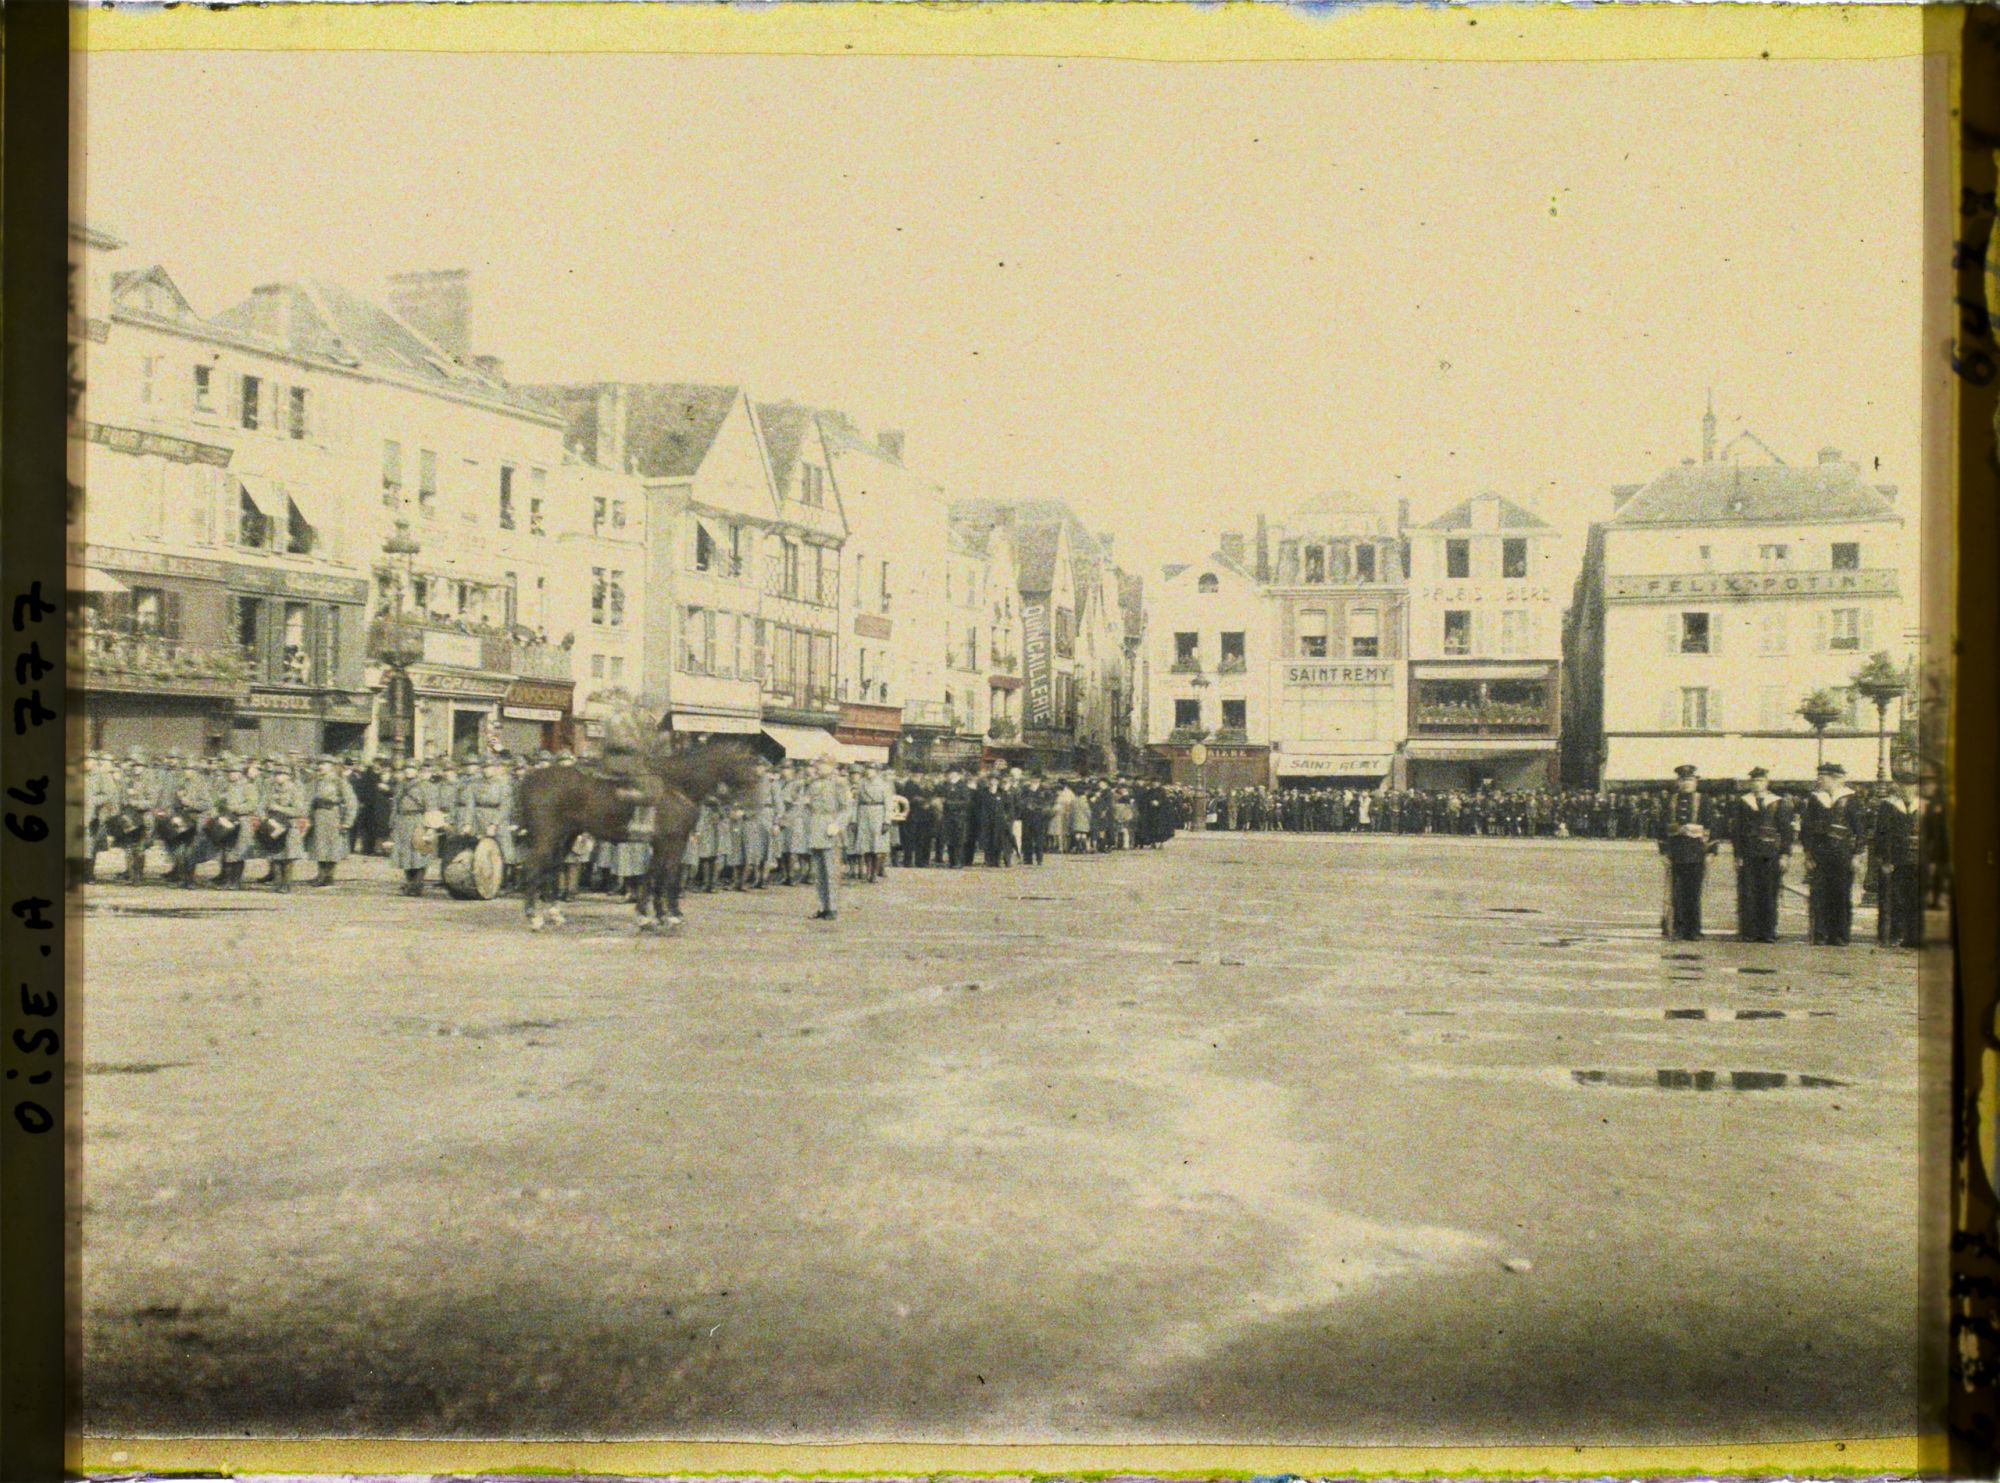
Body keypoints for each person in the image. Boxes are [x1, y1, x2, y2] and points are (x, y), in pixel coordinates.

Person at [1799, 761, 1860, 946]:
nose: (1819, 780)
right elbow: (1806, 829)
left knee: (1841, 894)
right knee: (1819, 894)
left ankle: (1840, 934)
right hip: (1820, 853)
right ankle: (1820, 933)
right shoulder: (1815, 799)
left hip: (1842, 853)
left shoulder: (1851, 799)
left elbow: (1860, 830)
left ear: (1835, 779)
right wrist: (1808, 855)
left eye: (1822, 777)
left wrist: (1857, 855)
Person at [1730, 766, 1792, 943]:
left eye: (1761, 780)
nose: (1757, 784)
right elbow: (1737, 830)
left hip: (1770, 853)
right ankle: (1748, 931)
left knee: (1769, 892)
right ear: (1750, 783)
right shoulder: (1743, 802)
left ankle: (1768, 931)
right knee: (1748, 892)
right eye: (1754, 781)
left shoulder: (1778, 802)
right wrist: (1737, 855)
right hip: (1749, 852)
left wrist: (1785, 854)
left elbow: (1785, 830)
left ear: (1767, 782)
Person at [1656, 763, 1717, 941]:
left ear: (1695, 782)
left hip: (1697, 852)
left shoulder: (1703, 800)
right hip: (1676, 853)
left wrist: (1712, 851)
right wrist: (1663, 853)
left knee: (1694, 892)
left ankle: (1694, 929)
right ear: (1678, 781)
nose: (1687, 783)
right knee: (1677, 892)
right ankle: (1678, 927)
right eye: (1684, 780)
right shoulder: (1670, 801)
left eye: (1690, 779)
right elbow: (1661, 828)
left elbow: (1712, 826)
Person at [1869, 765, 1925, 948]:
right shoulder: (1888, 806)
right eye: (1902, 785)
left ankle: (1914, 937)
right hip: (1897, 860)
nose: (1906, 789)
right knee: (1895, 899)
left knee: (1917, 898)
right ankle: (1894, 935)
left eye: (1910, 785)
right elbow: (1881, 835)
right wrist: (1885, 860)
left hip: (1918, 859)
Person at [804, 756, 849, 921]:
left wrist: (837, 825)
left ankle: (833, 907)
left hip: (830, 828)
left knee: (831, 871)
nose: (819, 768)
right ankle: (822, 906)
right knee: (818, 871)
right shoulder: (813, 784)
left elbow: (846, 809)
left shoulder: (839, 783)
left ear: (831, 766)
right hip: (815, 827)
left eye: (823, 765)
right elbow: (808, 806)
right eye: (819, 765)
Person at [306, 758, 360, 887]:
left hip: (333, 815)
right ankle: (320, 874)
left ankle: (329, 876)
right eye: (319, 763)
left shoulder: (339, 781)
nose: (321, 766)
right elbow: (309, 800)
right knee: (319, 846)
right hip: (318, 815)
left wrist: (347, 821)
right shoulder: (317, 781)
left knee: (332, 846)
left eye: (324, 764)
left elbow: (351, 802)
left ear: (331, 766)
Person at [389, 762, 439, 896]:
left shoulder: (425, 786)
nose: (408, 771)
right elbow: (395, 805)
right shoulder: (400, 785)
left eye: (411, 768)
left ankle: (417, 885)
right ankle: (410, 882)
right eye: (406, 768)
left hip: (418, 820)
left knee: (419, 851)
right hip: (402, 820)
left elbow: (431, 807)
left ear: (418, 771)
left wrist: (430, 827)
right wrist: (392, 822)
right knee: (405, 854)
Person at [854, 762, 891, 883]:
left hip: (878, 813)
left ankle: (874, 873)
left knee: (876, 845)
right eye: (867, 769)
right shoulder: (861, 783)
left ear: (877, 771)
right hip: (864, 813)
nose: (868, 771)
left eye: (871, 769)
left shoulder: (884, 785)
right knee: (865, 845)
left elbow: (888, 804)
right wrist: (855, 820)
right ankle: (868, 871)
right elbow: (856, 803)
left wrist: (886, 821)